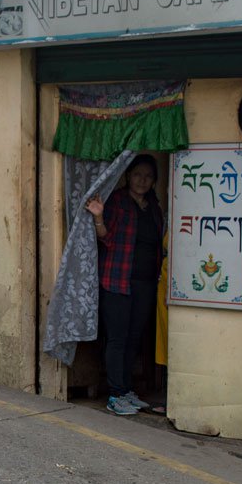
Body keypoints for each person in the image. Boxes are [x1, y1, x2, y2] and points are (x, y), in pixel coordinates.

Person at [85, 154, 165, 416]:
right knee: (117, 339)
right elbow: (105, 237)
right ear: (128, 175)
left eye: (148, 176)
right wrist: (98, 216)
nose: (142, 180)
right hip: (117, 279)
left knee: (134, 339)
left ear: (154, 181)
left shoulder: (153, 205)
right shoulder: (118, 201)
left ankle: (127, 389)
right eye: (138, 174)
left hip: (144, 282)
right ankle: (115, 394)